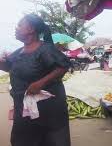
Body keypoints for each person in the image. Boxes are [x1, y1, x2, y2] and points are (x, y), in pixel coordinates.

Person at [0, 14, 71, 146]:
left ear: (31, 29)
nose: (16, 28)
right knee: (23, 140)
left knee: (49, 141)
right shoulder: (19, 52)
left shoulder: (45, 49)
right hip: (24, 108)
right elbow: (10, 67)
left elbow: (63, 66)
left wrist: (40, 83)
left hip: (48, 112)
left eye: (20, 25)